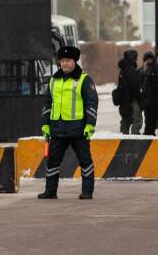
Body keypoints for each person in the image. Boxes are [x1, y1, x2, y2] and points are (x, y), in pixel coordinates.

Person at [38, 45, 98, 200]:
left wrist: (90, 125)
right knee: (52, 162)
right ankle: (50, 191)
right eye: (62, 60)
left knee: (85, 161)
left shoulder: (84, 79)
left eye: (68, 60)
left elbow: (91, 103)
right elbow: (48, 104)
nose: (65, 63)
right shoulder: (54, 80)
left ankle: (87, 191)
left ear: (75, 61)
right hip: (57, 128)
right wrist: (45, 124)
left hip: (78, 129)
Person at [114, 49, 142, 134]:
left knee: (125, 121)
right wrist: (140, 98)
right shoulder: (131, 69)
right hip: (131, 99)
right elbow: (133, 86)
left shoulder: (123, 69)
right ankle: (135, 138)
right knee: (137, 121)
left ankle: (123, 138)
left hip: (123, 101)